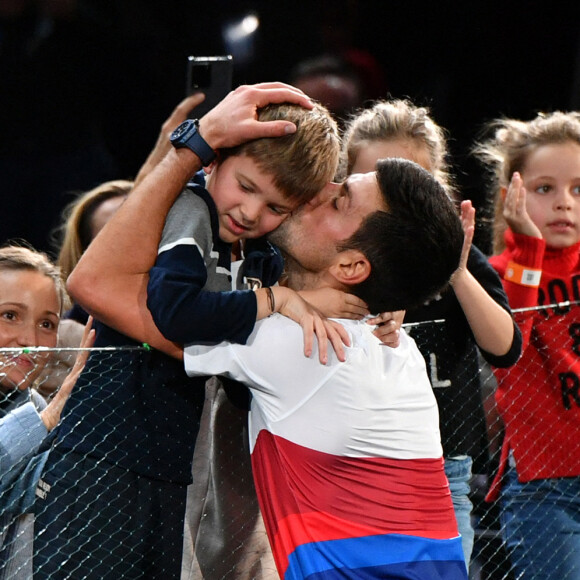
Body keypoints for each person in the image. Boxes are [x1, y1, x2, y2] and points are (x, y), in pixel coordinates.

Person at [33, 84, 344, 580]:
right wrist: (271, 301)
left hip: (173, 470)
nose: (249, 212)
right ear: (213, 161)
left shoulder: (262, 255)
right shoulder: (189, 207)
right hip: (102, 459)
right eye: (245, 186)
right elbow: (177, 311)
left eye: (275, 208)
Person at [335, 98, 522, 568]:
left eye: (412, 177)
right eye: (378, 178)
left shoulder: (461, 261)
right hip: (350, 471)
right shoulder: (331, 262)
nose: (396, 193)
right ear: (346, 183)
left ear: (436, 183)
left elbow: (505, 349)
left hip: (442, 472)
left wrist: (454, 272)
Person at [474, 110, 580, 580]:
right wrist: (530, 248)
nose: (564, 204)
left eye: (579, 189)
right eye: (545, 189)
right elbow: (508, 346)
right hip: (545, 487)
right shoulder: (497, 272)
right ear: (511, 197)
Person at [0, 245, 94, 579]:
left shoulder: (44, 415)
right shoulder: (43, 419)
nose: (30, 340)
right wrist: (44, 422)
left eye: (46, 323)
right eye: (10, 315)